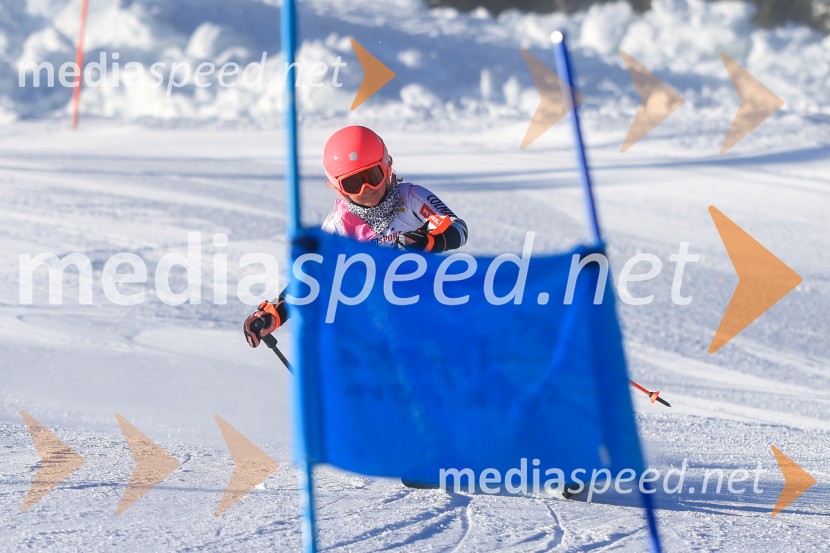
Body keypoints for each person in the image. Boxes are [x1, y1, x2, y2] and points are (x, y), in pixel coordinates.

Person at [243, 125, 468, 348]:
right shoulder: (338, 226)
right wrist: (275, 314)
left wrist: (429, 241)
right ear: (338, 188)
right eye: (353, 183)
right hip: (377, 325)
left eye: (372, 176)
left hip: (428, 309)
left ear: (386, 167)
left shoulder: (411, 199)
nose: (366, 189)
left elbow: (458, 229)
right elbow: (313, 278)